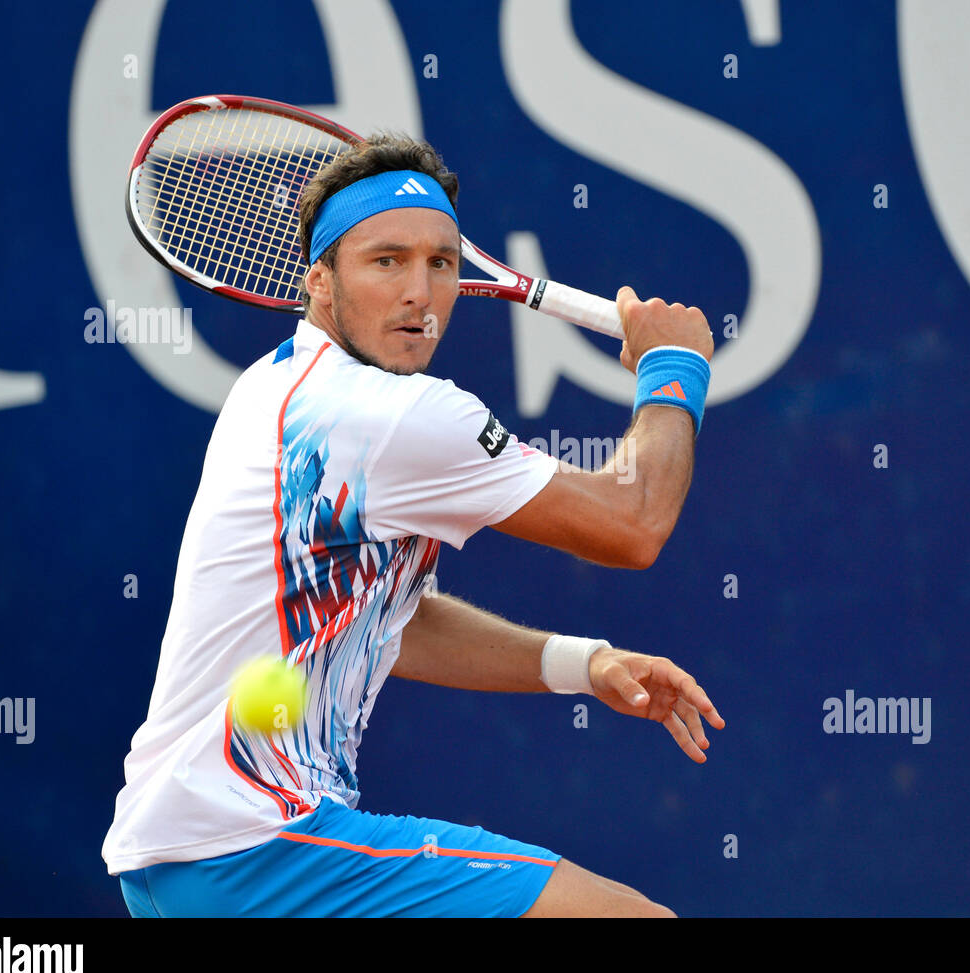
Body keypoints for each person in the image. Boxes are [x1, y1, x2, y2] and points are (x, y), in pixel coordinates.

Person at [102, 131, 723, 917]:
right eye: (385, 260)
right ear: (319, 281)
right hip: (254, 847)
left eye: (440, 263)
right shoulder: (388, 417)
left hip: (187, 865)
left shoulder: (274, 387)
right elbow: (635, 521)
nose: (419, 292)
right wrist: (674, 370)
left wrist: (582, 662)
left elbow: (389, 623)